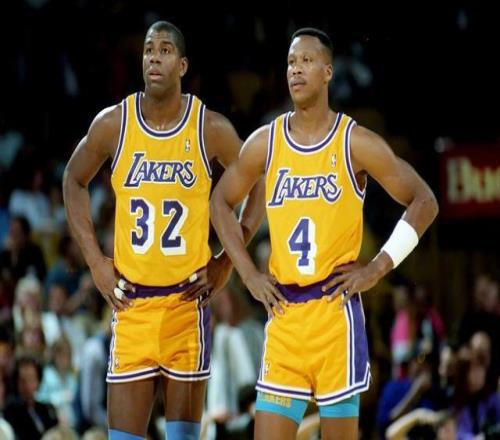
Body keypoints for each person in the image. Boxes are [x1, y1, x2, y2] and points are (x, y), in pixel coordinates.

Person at [210, 27, 439, 439]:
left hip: (335, 315)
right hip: (284, 315)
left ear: (328, 72)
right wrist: (246, 273)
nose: (296, 70)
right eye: (290, 62)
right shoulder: (266, 142)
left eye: (306, 61)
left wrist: (377, 268)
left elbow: (424, 201)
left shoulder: (355, 142)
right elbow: (219, 202)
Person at [63, 20, 264, 440]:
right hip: (131, 306)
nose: (154, 57)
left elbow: (259, 181)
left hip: (185, 307)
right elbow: (73, 179)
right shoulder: (113, 123)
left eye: (165, 50)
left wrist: (229, 260)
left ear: (183, 65)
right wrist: (96, 262)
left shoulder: (209, 128)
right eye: (149, 49)